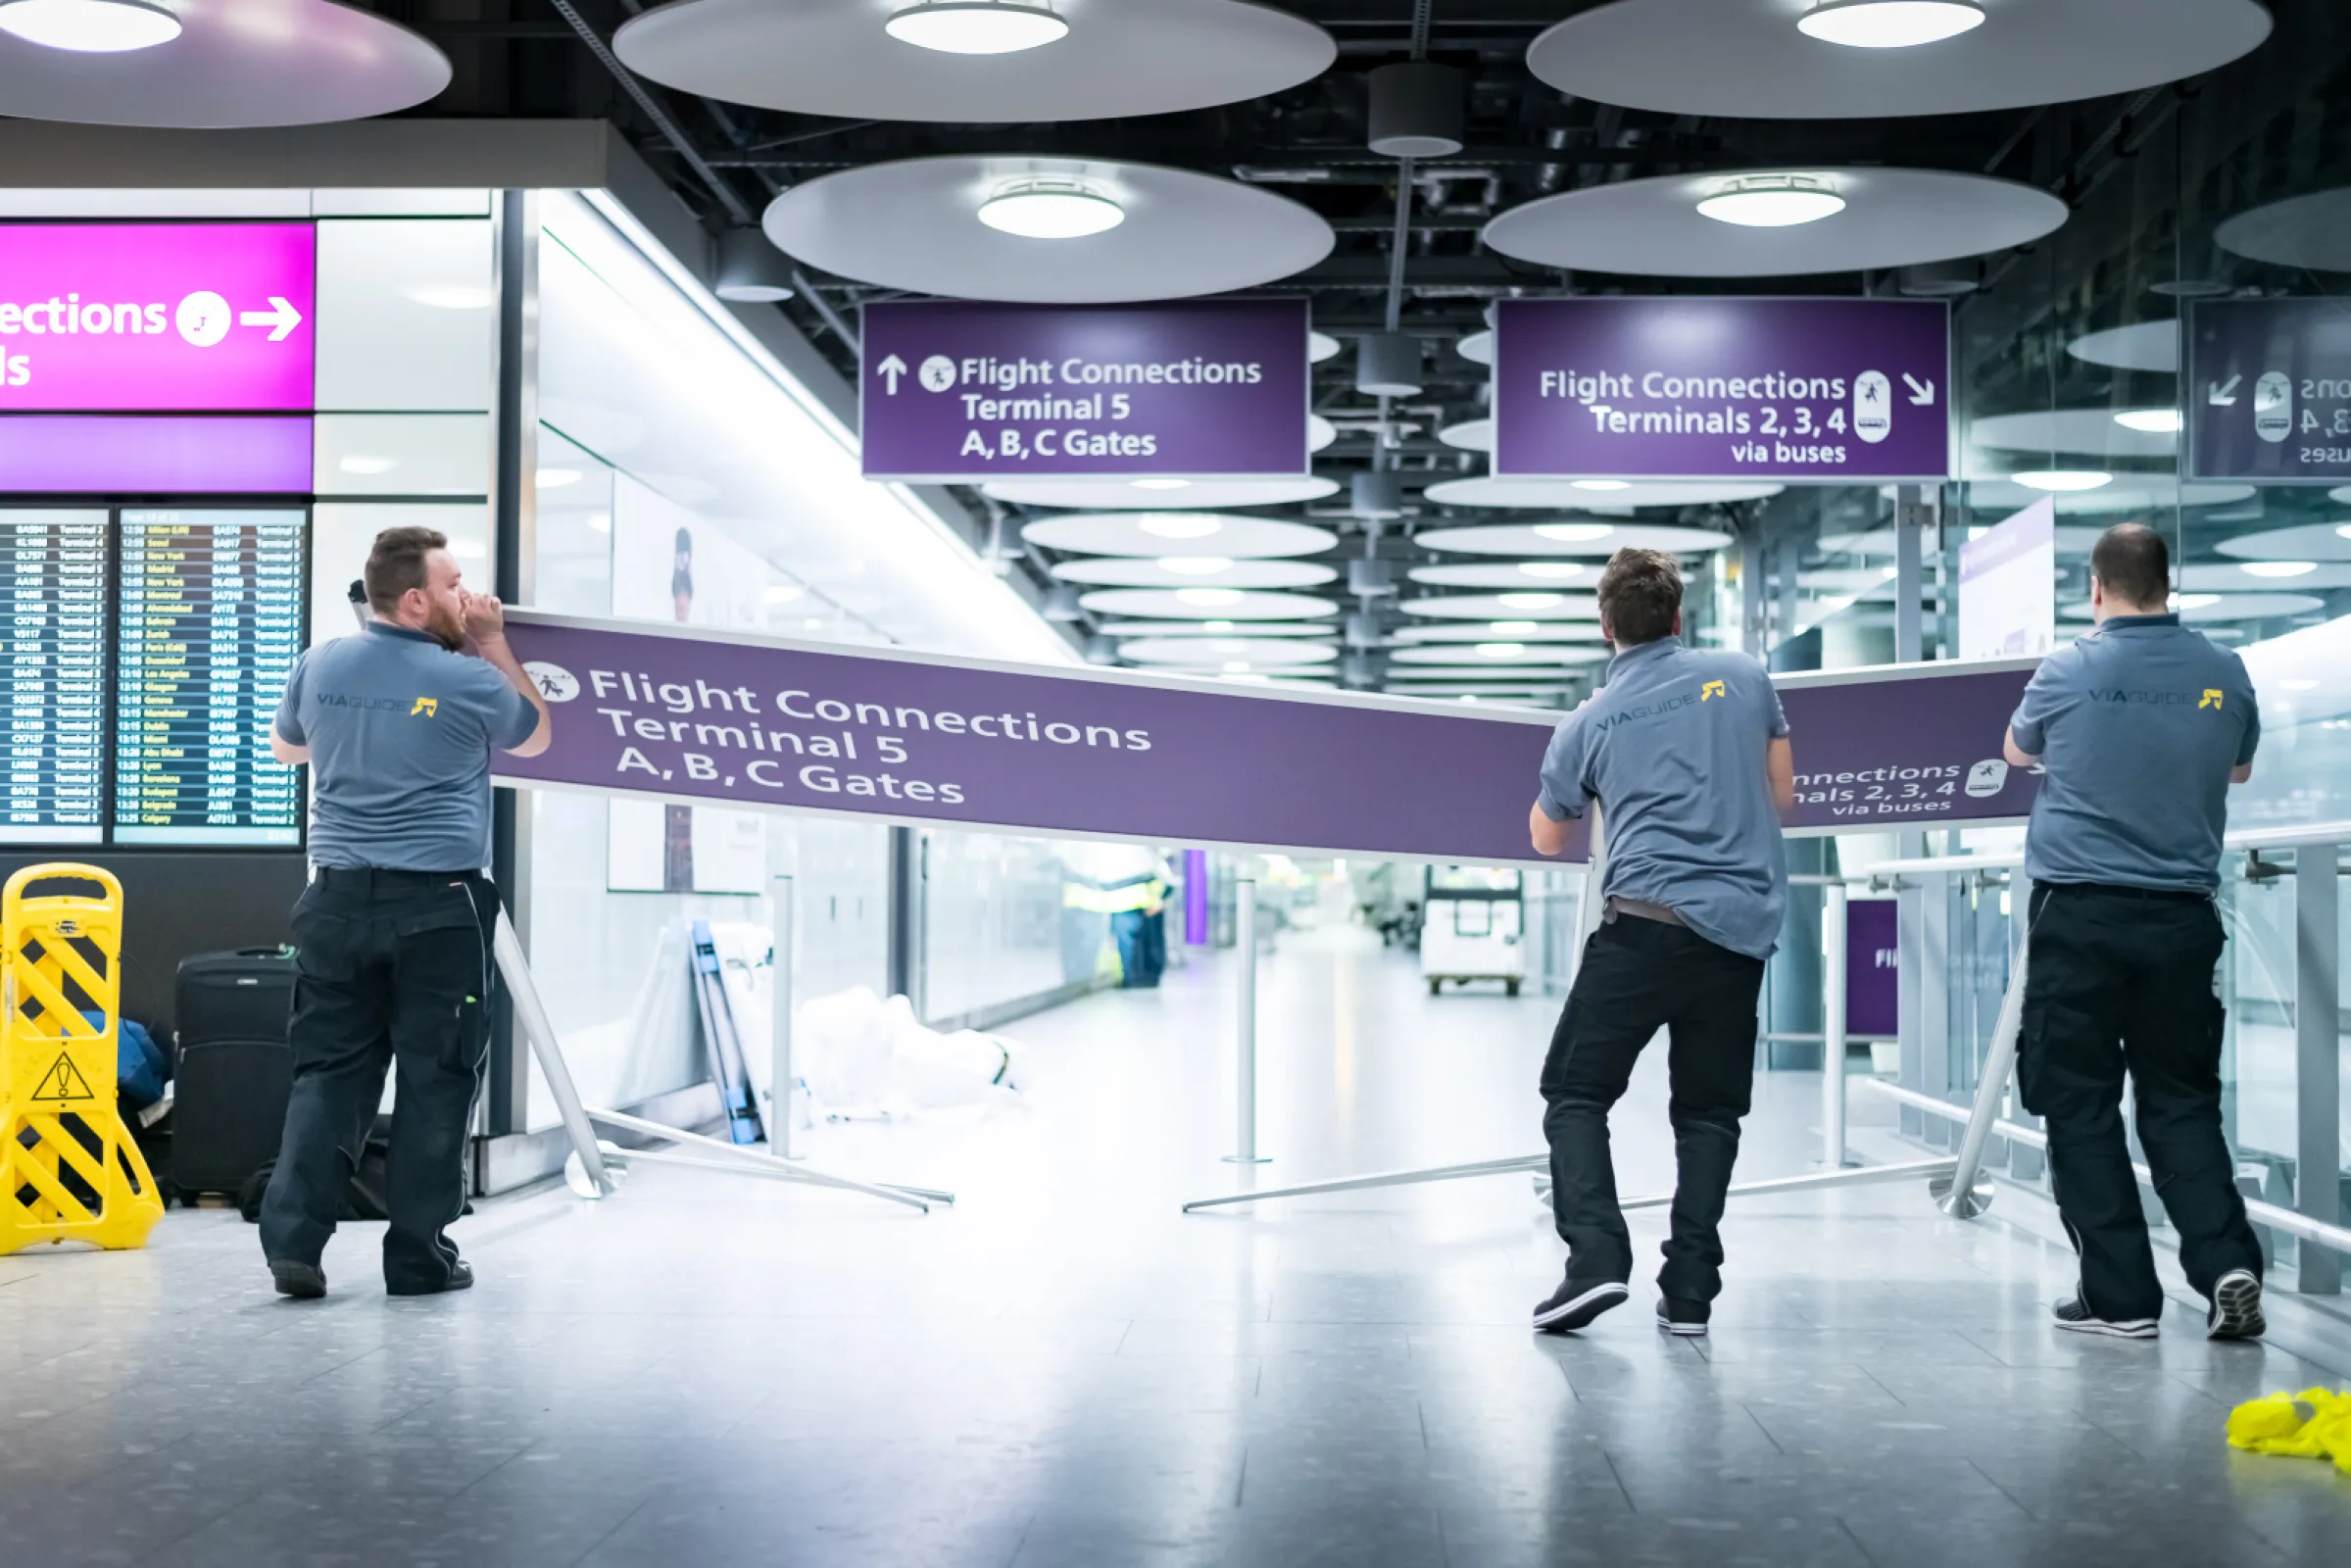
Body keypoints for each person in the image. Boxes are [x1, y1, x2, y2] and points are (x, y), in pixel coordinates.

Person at [259, 526, 552, 1299]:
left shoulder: (320, 662)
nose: (468, 596)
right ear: (416, 598)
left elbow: (288, 750)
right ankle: (418, 1258)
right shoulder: (469, 680)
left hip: (335, 903)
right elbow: (535, 735)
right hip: (439, 909)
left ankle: (294, 1246)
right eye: (455, 585)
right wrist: (491, 641)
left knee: (328, 1075)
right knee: (436, 1081)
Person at [2002, 522, 2265, 1342]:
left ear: (2095, 588)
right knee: (2181, 1099)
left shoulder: (2070, 667)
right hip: (2182, 919)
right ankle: (2227, 1263)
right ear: (2167, 583)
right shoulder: (2222, 671)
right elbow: (2238, 767)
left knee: (2077, 1102)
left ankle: (2119, 1298)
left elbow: (2015, 751)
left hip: (2078, 914)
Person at [1526, 548, 1794, 1337]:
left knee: (1574, 1093)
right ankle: (1688, 1294)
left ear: (1605, 626)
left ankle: (1596, 1260)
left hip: (1641, 930)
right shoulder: (1744, 677)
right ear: (1678, 617)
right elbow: (1782, 794)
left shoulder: (1589, 718)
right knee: (1708, 1113)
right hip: (1738, 936)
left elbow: (1547, 836)